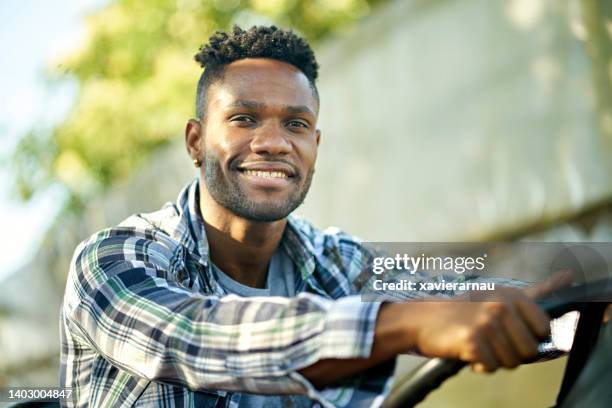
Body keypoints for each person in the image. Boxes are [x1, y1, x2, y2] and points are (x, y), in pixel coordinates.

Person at [60, 25, 564, 407]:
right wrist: (409, 325)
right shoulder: (113, 260)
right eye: (244, 118)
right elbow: (196, 337)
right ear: (195, 141)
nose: (274, 143)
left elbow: (469, 300)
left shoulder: (339, 263)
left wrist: (567, 310)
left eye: (296, 124)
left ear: (314, 146)